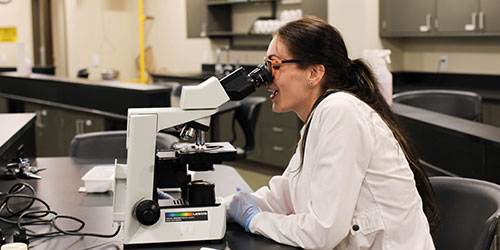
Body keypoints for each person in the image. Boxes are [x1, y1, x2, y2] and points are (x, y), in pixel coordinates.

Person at [226, 16, 438, 249]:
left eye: (275, 64)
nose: (267, 77)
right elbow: (285, 195)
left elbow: (322, 232)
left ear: (314, 73)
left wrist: (255, 219)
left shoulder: (340, 110)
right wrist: (222, 208)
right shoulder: (319, 117)